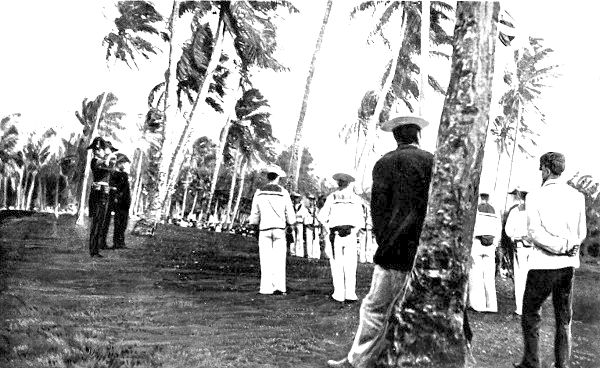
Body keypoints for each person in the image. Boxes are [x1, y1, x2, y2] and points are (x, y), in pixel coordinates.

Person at [326, 115, 433, 368]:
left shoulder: (384, 163)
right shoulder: (431, 161)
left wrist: (384, 240)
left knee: (375, 309)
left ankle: (359, 360)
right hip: (424, 248)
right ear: (418, 135)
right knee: (421, 310)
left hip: (392, 249)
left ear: (396, 137)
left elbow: (378, 210)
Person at [514, 152, 586, 368]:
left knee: (531, 312)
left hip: (543, 264)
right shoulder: (577, 196)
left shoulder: (535, 196)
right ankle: (562, 364)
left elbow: (535, 232)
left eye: (541, 169)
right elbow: (581, 232)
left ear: (545, 169)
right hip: (567, 265)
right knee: (564, 317)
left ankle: (532, 362)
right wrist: (568, 246)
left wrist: (559, 247)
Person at [248, 166, 296, 295]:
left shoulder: (259, 192)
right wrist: (291, 223)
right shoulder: (283, 192)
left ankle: (266, 288)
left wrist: (254, 224)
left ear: (267, 177)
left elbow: (255, 213)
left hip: (264, 228)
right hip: (279, 229)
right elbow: (290, 213)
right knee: (279, 259)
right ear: (278, 177)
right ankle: (279, 287)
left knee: (265, 259)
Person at [319, 171, 364, 305]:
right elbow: (360, 220)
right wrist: (353, 231)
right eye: (341, 181)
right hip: (346, 233)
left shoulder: (332, 197)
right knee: (349, 264)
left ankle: (341, 293)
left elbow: (321, 217)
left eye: (341, 182)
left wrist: (328, 228)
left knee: (338, 264)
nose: (341, 184)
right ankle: (348, 293)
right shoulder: (355, 199)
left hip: (339, 233)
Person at [468, 192, 501, 313]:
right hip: (490, 244)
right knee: (489, 275)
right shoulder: (494, 211)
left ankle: (478, 304)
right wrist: (495, 244)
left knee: (476, 274)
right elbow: (498, 229)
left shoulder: (475, 210)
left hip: (477, 242)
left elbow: (472, 227)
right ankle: (491, 305)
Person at [87, 137, 118, 258]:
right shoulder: (95, 161)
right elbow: (104, 165)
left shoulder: (105, 161)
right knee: (96, 222)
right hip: (98, 194)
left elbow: (109, 169)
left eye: (99, 149)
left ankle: (95, 249)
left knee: (100, 223)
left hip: (104, 194)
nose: (98, 151)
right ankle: (93, 250)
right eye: (96, 149)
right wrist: (109, 156)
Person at [504, 187, 530, 315]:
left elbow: (508, 231)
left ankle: (520, 308)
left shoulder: (516, 211)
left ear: (519, 195)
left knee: (520, 277)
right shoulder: (535, 211)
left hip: (520, 245)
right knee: (531, 276)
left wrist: (515, 236)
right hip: (534, 246)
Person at [109, 153, 131, 249]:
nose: (124, 165)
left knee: (123, 224)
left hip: (125, 202)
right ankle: (117, 242)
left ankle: (121, 242)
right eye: (123, 163)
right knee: (119, 223)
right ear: (119, 163)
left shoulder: (124, 174)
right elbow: (116, 188)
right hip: (119, 202)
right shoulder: (115, 174)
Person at [291, 192, 309, 257]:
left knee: (299, 238)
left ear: (299, 199)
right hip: (293, 223)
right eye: (295, 198)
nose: (296, 199)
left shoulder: (302, 207)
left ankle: (299, 253)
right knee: (292, 237)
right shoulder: (291, 206)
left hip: (300, 223)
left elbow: (305, 215)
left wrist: (305, 223)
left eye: (297, 198)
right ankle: (292, 252)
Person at [305, 194, 322, 259]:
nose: (310, 202)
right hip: (309, 227)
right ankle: (310, 256)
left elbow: (320, 219)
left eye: (312, 200)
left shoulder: (317, 210)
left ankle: (316, 256)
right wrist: (308, 225)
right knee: (309, 242)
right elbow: (305, 219)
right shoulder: (306, 209)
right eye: (309, 200)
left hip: (316, 227)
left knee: (316, 242)